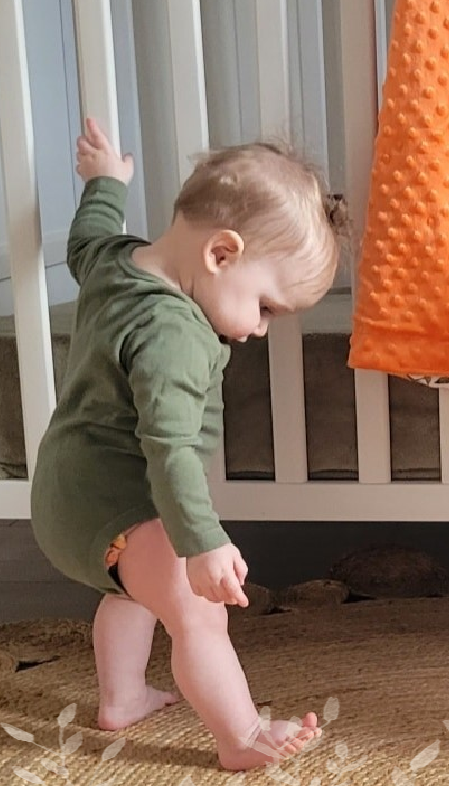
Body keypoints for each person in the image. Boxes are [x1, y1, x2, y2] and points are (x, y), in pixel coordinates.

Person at [31, 118, 350, 770]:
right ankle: (241, 736)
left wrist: (104, 183)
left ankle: (122, 698)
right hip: (119, 500)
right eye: (266, 307)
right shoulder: (172, 332)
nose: (260, 329)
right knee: (198, 615)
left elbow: (87, 236)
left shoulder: (114, 261)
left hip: (66, 493)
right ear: (221, 254)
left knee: (133, 592)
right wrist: (202, 543)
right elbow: (169, 450)